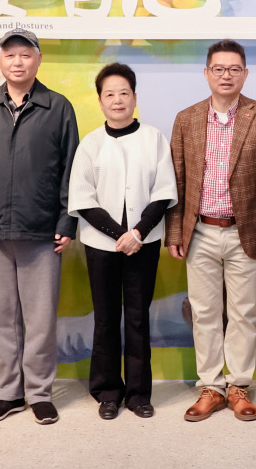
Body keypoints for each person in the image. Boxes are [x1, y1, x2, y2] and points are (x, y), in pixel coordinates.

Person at [0, 29, 79, 426]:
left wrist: (66, 221)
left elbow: (71, 170)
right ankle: (9, 393)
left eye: (25, 54)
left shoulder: (58, 107)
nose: (17, 62)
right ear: (0, 60)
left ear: (38, 60)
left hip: (41, 230)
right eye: (10, 55)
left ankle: (39, 393)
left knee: (40, 318)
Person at [168, 39, 256, 422]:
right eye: (219, 68)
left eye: (234, 69)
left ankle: (239, 386)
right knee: (204, 313)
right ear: (206, 73)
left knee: (244, 312)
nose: (226, 75)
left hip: (244, 230)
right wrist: (175, 233)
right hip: (199, 231)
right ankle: (211, 387)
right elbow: (177, 180)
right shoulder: (186, 119)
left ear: (245, 74)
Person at [69, 62, 176, 421]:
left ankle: (139, 394)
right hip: (102, 246)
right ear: (100, 100)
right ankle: (107, 392)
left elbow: (164, 192)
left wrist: (138, 233)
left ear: (134, 97)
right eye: (110, 94)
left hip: (144, 244)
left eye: (124, 93)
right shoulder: (90, 144)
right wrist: (121, 235)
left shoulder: (154, 138)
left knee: (137, 318)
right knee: (105, 319)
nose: (117, 100)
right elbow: (83, 199)